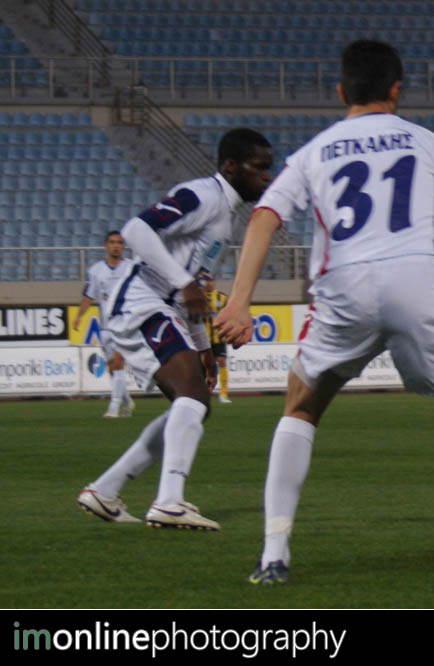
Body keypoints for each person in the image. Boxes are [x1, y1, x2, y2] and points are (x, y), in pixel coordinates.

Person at [215, 40, 434, 588]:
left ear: (341, 91)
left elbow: (264, 216)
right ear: (396, 89)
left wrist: (238, 301)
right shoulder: (429, 144)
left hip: (344, 285)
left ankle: (273, 555)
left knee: (300, 409)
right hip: (420, 279)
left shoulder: (315, 152)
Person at [75, 128, 273, 529]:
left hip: (162, 308)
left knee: (194, 401)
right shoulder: (203, 195)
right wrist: (183, 283)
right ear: (231, 166)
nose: (266, 178)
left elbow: (194, 291)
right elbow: (135, 230)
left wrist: (203, 348)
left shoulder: (226, 216)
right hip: (140, 302)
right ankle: (168, 502)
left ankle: (105, 491)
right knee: (193, 398)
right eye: (259, 168)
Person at [72, 230, 136, 418]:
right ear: (106, 246)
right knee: (112, 367)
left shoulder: (131, 268)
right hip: (105, 326)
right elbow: (88, 296)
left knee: (118, 363)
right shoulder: (96, 270)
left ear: (123, 246)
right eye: (112, 242)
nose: (116, 246)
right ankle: (127, 401)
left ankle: (113, 407)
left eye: (119, 242)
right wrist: (79, 316)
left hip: (125, 325)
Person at [203, 275, 232, 404]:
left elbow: (229, 314)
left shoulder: (222, 297)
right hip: (203, 338)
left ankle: (223, 393)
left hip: (218, 337)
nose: (209, 283)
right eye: (206, 280)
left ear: (214, 281)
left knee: (222, 361)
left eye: (210, 280)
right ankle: (205, 392)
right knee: (204, 366)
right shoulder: (198, 297)